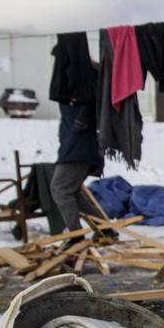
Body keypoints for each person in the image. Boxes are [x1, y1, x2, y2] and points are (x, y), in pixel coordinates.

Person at [51, 98, 102, 235]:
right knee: (72, 192)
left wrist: (81, 121)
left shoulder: (82, 92)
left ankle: (75, 234)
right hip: (74, 148)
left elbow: (91, 98)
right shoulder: (69, 99)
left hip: (78, 149)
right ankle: (105, 229)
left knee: (60, 189)